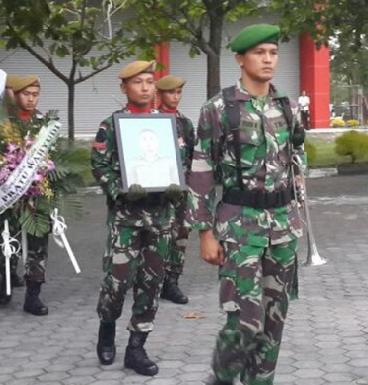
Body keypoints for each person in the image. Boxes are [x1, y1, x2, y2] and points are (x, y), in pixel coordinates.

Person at [185, 24, 305, 385]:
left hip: (283, 228)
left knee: (273, 321)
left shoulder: (286, 105)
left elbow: (296, 152)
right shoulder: (219, 109)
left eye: (273, 52)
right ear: (240, 58)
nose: (268, 60)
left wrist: (297, 192)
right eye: (259, 53)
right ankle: (220, 380)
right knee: (245, 322)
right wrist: (205, 232)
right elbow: (201, 171)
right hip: (240, 229)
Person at [92, 60, 178, 376]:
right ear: (124, 87)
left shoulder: (168, 125)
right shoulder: (111, 125)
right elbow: (99, 167)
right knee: (117, 281)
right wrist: (121, 189)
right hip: (126, 219)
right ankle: (106, 328)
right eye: (138, 82)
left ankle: (136, 347)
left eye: (149, 81)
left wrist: (177, 186)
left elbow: (177, 163)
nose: (145, 87)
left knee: (151, 283)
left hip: (161, 218)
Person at [0, 74, 49, 315]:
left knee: (38, 243)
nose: (31, 99)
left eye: (35, 95)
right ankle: (6, 278)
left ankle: (33, 295)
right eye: (26, 94)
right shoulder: (3, 122)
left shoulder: (44, 122)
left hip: (37, 193)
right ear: (13, 95)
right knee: (8, 240)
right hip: (9, 194)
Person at [155, 75, 195, 304]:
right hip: (157, 192)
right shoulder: (152, 121)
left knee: (180, 236)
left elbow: (192, 157)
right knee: (157, 236)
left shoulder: (185, 124)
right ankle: (153, 279)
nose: (175, 97)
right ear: (160, 95)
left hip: (181, 191)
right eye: (171, 93)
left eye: (179, 93)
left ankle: (172, 282)